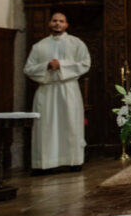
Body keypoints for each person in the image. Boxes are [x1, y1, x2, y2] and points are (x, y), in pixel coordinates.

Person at [23, 12, 91, 172]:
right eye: (54, 21)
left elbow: (85, 63)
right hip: (47, 90)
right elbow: (28, 68)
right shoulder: (39, 46)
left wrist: (61, 65)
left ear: (66, 24)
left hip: (68, 88)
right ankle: (44, 163)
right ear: (49, 23)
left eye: (61, 21)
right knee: (45, 126)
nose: (57, 24)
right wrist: (46, 65)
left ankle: (73, 160)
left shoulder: (76, 43)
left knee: (70, 124)